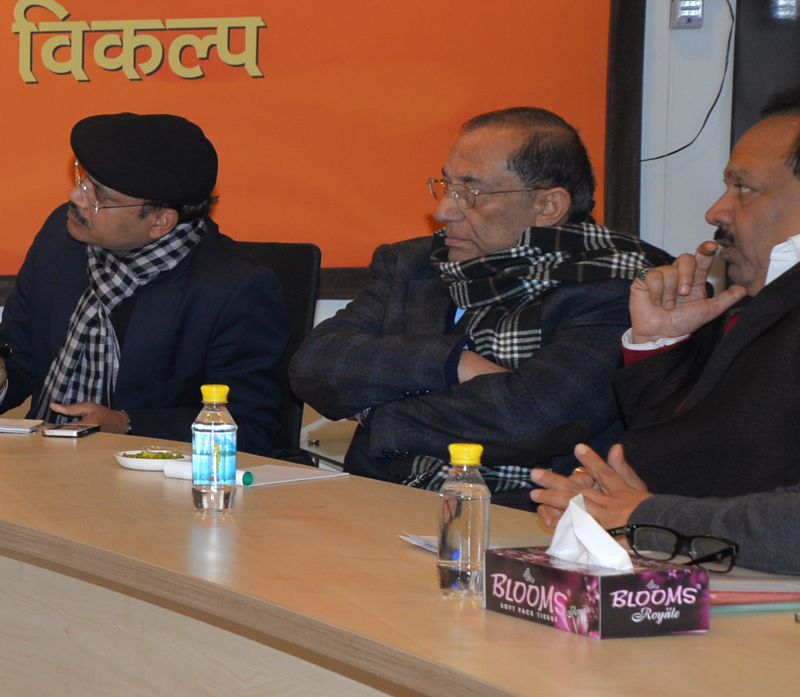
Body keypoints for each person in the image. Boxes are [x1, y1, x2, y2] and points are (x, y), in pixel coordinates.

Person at [291, 108, 660, 496]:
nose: (443, 210)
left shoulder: (618, 285)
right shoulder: (414, 264)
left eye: (472, 192)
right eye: (448, 186)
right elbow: (314, 362)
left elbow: (528, 419)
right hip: (380, 498)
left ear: (548, 206)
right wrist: (454, 363)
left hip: (521, 516)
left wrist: (378, 418)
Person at [535, 96, 800, 541]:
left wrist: (652, 515)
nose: (717, 211)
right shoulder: (748, 301)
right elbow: (706, 455)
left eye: (744, 188)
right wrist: (659, 344)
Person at [0, 112, 288, 454]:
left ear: (160, 221)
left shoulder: (234, 288)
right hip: (44, 464)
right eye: (82, 179)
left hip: (158, 487)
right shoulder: (62, 239)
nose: (75, 196)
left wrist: (126, 425)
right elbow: (18, 349)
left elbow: (251, 428)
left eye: (97, 196)